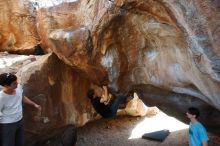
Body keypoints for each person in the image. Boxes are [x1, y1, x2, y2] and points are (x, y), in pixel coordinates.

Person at [0, 73, 42, 146]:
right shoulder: (1, 98)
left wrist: (34, 104)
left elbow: (21, 97)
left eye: (16, 81)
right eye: (14, 83)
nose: (17, 84)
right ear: (6, 86)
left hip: (20, 120)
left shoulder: (18, 87)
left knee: (20, 143)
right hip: (8, 125)